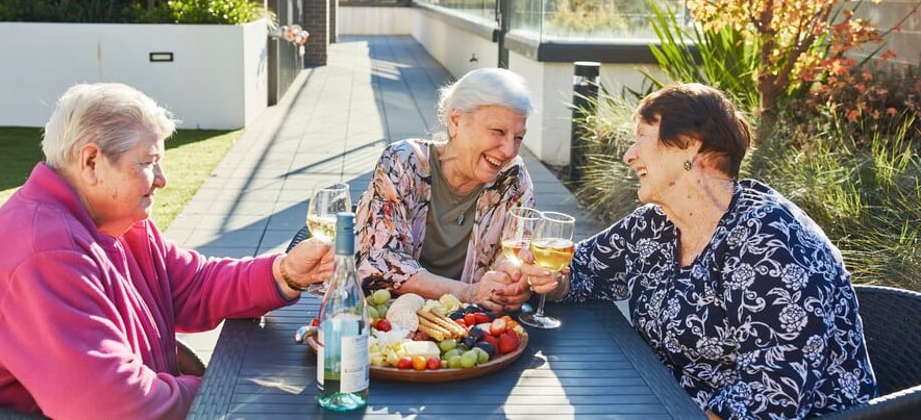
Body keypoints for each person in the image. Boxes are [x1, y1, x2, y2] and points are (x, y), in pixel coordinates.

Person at [0, 82, 334, 419]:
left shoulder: (116, 222)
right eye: (148, 162)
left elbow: (194, 285)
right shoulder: (46, 254)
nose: (162, 180)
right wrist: (228, 388)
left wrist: (285, 273)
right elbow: (114, 406)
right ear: (92, 162)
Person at [525, 83, 877, 419]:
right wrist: (551, 282)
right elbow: (580, 270)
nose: (629, 155)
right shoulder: (657, 223)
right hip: (672, 402)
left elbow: (773, 397)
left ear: (690, 147)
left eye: (642, 138)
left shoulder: (767, 240)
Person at [355, 67, 536, 312]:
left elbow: (516, 256)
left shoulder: (512, 178)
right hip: (392, 319)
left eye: (518, 137)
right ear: (456, 121)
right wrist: (468, 293)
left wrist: (514, 284)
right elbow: (380, 260)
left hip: (471, 325)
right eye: (498, 132)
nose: (509, 150)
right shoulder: (404, 162)